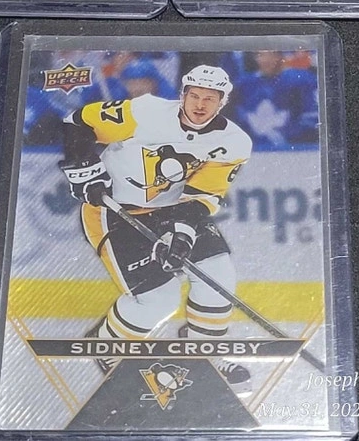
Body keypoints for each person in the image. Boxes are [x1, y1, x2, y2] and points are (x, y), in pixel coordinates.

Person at [60, 65, 253, 391]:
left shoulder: (234, 142)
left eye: (210, 98)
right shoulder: (145, 111)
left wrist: (182, 234)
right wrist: (84, 167)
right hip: (114, 212)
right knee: (158, 301)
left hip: (172, 210)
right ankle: (109, 344)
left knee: (219, 274)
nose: (200, 104)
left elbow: (202, 196)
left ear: (222, 102)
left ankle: (203, 352)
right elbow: (78, 122)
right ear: (182, 95)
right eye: (194, 96)